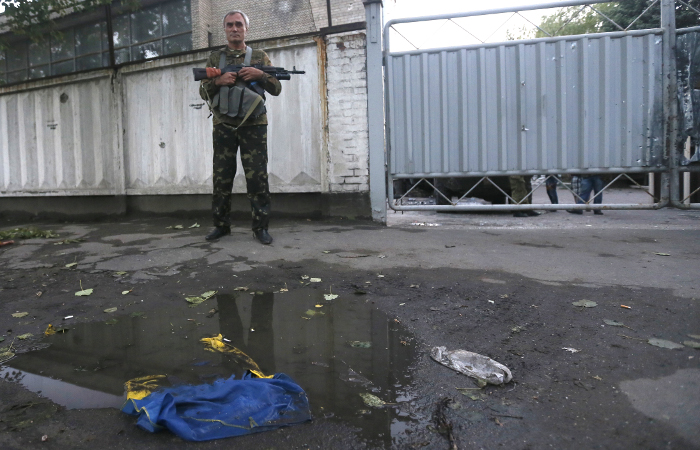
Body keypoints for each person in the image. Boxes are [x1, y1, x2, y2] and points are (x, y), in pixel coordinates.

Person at [199, 10, 282, 244]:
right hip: (224, 124)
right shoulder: (215, 59)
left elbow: (276, 88)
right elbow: (203, 91)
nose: (234, 29)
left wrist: (260, 74)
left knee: (257, 177)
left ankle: (260, 228)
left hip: (254, 124)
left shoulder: (260, 56)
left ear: (246, 28)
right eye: (229, 25)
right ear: (225, 29)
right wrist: (218, 81)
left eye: (238, 24)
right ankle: (221, 226)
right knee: (222, 177)